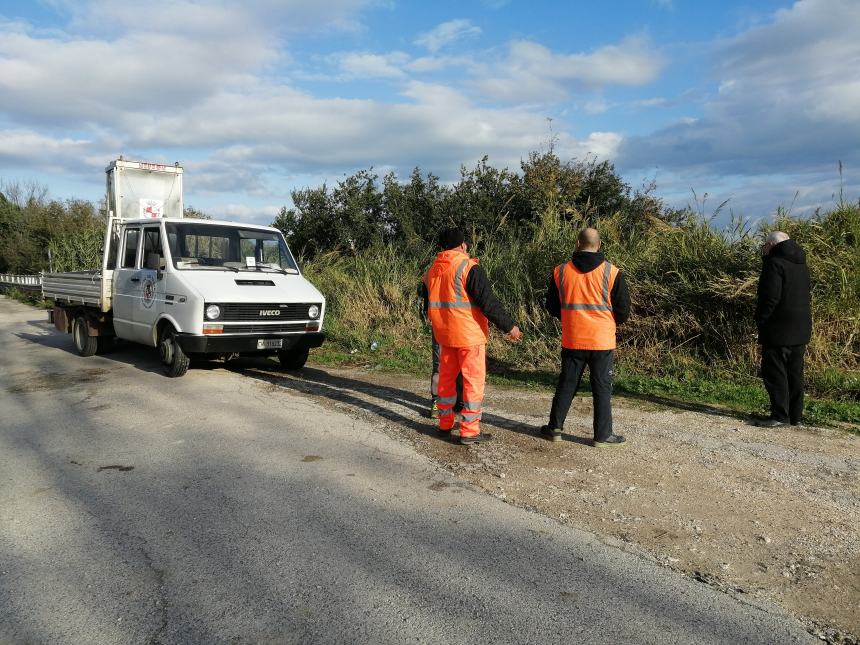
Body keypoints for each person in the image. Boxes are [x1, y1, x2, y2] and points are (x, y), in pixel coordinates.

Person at [424, 228, 522, 444]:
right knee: (472, 382)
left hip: (444, 336)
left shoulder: (432, 271)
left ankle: (445, 424)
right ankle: (469, 430)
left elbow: (427, 301)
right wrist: (509, 327)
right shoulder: (468, 267)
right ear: (462, 245)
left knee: (446, 381)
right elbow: (488, 303)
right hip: (469, 336)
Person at [540, 228, 630, 447]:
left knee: (567, 384)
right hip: (601, 340)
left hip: (573, 338)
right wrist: (606, 322)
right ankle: (602, 436)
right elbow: (623, 311)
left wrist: (571, 318)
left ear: (577, 244)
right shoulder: (612, 272)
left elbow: (551, 306)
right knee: (601, 387)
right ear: (599, 246)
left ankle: (554, 428)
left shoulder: (560, 272)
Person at [753, 231, 812, 427]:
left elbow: (770, 297)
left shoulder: (774, 263)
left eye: (765, 245)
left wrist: (761, 319)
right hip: (801, 327)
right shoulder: (801, 264)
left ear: (771, 244)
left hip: (779, 327)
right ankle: (796, 417)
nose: (765, 249)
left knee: (775, 371)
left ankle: (779, 416)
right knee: (795, 373)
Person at [419, 271, 463, 418]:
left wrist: (427, 310)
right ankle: (458, 403)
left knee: (439, 366)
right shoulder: (463, 267)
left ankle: (436, 404)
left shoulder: (431, 271)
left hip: (439, 325)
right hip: (462, 325)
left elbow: (425, 293)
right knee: (461, 365)